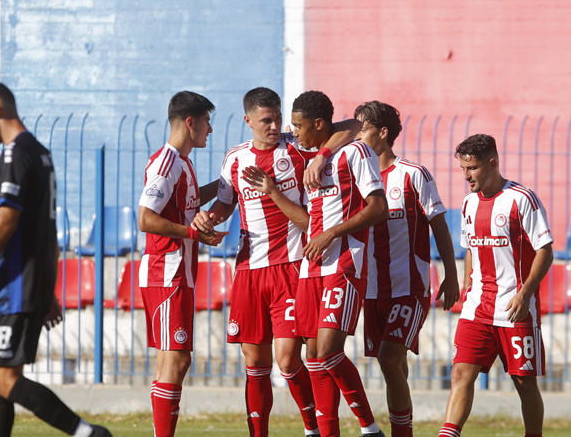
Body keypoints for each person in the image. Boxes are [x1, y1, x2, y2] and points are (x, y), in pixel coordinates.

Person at [193, 87, 362, 437]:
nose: (274, 126)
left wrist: (321, 155)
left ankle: (311, 426)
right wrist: (209, 217)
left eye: (277, 118)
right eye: (266, 120)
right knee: (255, 363)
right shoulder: (236, 159)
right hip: (249, 269)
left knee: (287, 360)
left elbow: (354, 126)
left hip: (292, 266)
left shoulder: (297, 147)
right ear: (248, 121)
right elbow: (226, 202)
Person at [0, 81, 111, 437]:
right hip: (21, 284)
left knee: (2, 377)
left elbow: (6, 220)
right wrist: (48, 290)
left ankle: (88, 433)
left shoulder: (15, 153)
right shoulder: (39, 152)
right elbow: (47, 232)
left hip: (15, 286)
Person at [352, 101, 459, 437]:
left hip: (408, 288)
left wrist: (451, 276)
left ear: (382, 133)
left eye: (362, 127)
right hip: (371, 290)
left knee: (388, 359)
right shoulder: (356, 179)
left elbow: (440, 225)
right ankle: (405, 426)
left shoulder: (413, 174)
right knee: (394, 365)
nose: (356, 134)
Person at [285, 90, 388, 437]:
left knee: (328, 350)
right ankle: (324, 432)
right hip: (311, 268)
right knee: (312, 354)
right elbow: (348, 124)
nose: (294, 132)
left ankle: (369, 427)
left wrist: (330, 234)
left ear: (318, 124)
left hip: (344, 262)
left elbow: (377, 208)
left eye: (299, 126)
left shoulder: (356, 151)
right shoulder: (307, 154)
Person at [437, 134, 553, 437]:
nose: (466, 176)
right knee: (461, 373)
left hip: (514, 308)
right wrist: (465, 289)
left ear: (492, 164)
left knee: (524, 382)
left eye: (472, 168)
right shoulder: (467, 204)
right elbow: (470, 251)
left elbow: (545, 250)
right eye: (462, 169)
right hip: (477, 308)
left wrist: (525, 294)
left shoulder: (521, 199)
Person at [137, 90, 227, 436]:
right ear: (190, 123)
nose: (210, 130)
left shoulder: (183, 163)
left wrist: (226, 185)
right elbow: (146, 218)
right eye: (207, 122)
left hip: (179, 274)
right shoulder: (166, 162)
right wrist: (192, 233)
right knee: (176, 359)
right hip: (166, 271)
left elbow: (187, 200)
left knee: (172, 360)